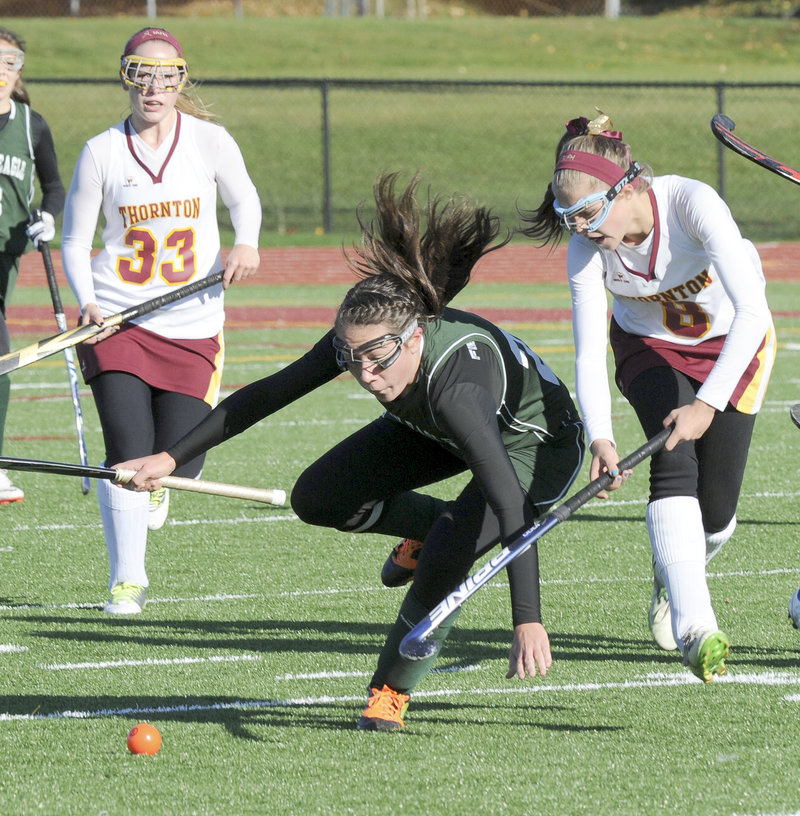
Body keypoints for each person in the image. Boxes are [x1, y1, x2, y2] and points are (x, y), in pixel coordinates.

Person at [115, 172, 586, 730]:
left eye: (377, 358)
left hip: (534, 445)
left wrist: (526, 620)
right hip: (434, 429)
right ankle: (436, 530)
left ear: (413, 336)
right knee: (317, 498)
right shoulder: (364, 340)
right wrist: (168, 459)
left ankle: (391, 690)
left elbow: (510, 506)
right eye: (351, 356)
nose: (364, 373)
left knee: (446, 556)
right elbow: (268, 392)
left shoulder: (458, 391)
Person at [519, 111, 776, 682]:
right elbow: (589, 351)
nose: (581, 229)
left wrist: (707, 404)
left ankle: (675, 566)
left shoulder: (692, 205)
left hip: (735, 345)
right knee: (672, 459)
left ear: (628, 185)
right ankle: (696, 629)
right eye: (568, 219)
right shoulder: (587, 250)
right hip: (647, 348)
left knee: (717, 517)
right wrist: (602, 438)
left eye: (587, 213)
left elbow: (755, 312)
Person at [60, 27, 261, 615]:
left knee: (181, 457)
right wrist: (88, 300)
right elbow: (75, 239)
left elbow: (243, 199)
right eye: (140, 74)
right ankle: (127, 580)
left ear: (180, 79)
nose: (153, 87)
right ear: (126, 77)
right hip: (117, 319)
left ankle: (159, 490)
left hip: (193, 322)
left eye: (165, 75)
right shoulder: (101, 151)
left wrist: (245, 243)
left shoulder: (210, 141)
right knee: (127, 450)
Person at [0, 26, 66, 504]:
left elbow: (55, 187)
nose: (1, 70)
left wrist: (47, 216)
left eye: (9, 61)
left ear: (19, 71)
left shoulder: (31, 124)